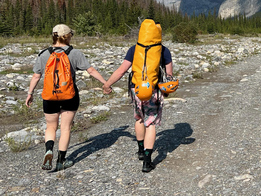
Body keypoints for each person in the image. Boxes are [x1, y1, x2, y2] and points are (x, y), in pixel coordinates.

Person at [25, 24, 107, 171]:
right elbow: (91, 70)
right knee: (65, 128)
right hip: (70, 95)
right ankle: (61, 160)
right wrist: (105, 83)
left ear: (53, 36)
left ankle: (49, 150)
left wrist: (30, 93)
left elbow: (36, 76)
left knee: (51, 126)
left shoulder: (43, 54)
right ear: (68, 36)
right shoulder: (75, 53)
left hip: (49, 96)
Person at [103, 31, 173, 173]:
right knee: (151, 123)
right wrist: (167, 90)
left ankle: (140, 150)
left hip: (136, 90)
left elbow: (122, 70)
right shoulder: (163, 50)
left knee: (140, 118)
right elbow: (169, 75)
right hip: (153, 90)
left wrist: (107, 84)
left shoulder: (134, 49)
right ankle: (147, 161)